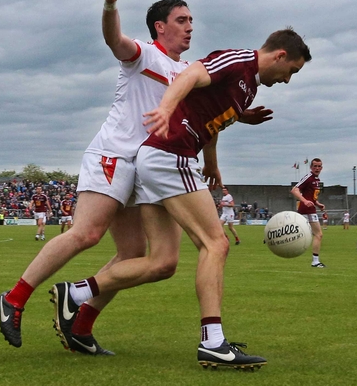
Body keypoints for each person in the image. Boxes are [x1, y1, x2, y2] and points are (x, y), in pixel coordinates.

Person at [0, 0, 272, 356]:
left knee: (138, 258)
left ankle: (81, 325)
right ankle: (15, 298)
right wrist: (110, 4)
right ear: (160, 26)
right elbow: (115, 41)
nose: (190, 25)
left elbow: (201, 115)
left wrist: (234, 122)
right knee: (87, 234)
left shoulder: (187, 70)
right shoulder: (145, 55)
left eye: (192, 19)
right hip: (115, 154)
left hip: (149, 166)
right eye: (181, 19)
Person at [53, 28, 311, 369]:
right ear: (280, 55)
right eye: (292, 71)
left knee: (162, 263)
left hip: (159, 158)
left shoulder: (247, 89)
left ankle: (76, 293)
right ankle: (213, 343)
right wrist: (165, 109)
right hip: (169, 154)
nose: (288, 80)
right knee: (216, 244)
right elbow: (190, 75)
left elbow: (211, 121)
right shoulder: (238, 62)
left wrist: (213, 163)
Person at [291, 159, 327, 267]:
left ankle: (273, 236)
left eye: (319, 166)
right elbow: (294, 190)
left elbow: (311, 197)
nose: (317, 168)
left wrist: (317, 203)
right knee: (318, 234)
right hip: (307, 210)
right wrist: (305, 201)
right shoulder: (308, 177)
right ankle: (315, 261)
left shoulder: (316, 179)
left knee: (300, 233)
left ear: (322, 168)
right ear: (311, 167)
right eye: (315, 166)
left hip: (310, 209)